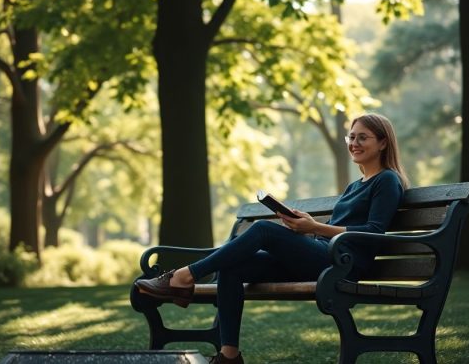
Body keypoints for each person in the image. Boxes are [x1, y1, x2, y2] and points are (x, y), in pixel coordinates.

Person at [135, 113, 409, 364]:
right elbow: (341, 227)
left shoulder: (387, 180)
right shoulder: (355, 185)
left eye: (363, 138)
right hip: (325, 255)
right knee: (233, 266)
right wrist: (308, 226)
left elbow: (374, 232)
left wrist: (315, 227)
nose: (354, 143)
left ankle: (184, 277)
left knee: (263, 229)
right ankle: (229, 356)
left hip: (344, 264)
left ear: (383, 143)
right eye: (352, 137)